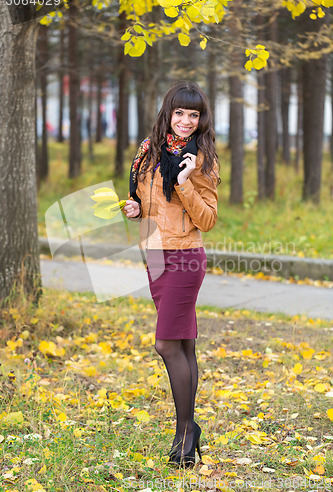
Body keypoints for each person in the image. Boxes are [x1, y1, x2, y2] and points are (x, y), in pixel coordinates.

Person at [122, 81, 220, 467]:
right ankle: (189, 430)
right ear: (168, 113)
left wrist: (184, 184)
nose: (185, 121)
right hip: (156, 256)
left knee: (165, 345)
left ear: (201, 120)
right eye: (179, 112)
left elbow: (207, 220)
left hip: (184, 257)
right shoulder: (148, 152)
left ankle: (183, 434)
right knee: (184, 346)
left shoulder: (202, 160)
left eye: (193, 115)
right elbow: (147, 206)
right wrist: (135, 210)